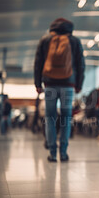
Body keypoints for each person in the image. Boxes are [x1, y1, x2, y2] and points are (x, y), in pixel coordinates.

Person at [34, 17, 85, 162]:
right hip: (68, 84)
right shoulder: (74, 41)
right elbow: (80, 64)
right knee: (66, 118)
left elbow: (38, 63)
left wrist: (38, 83)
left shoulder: (45, 40)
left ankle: (52, 153)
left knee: (49, 118)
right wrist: (79, 84)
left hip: (49, 84)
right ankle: (63, 152)